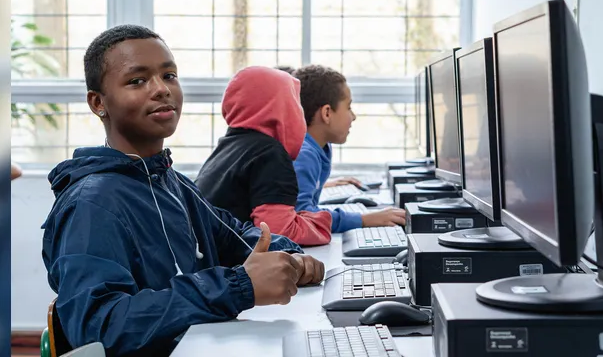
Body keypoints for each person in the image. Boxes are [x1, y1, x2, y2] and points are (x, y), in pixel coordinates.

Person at [41, 25, 325, 356]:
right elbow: (99, 327)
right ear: (98, 103)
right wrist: (238, 287)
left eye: (169, 75)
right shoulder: (92, 204)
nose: (161, 89)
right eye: (137, 80)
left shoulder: (169, 181)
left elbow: (236, 238)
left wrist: (290, 257)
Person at [195, 66, 333, 246]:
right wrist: (322, 223)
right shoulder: (270, 154)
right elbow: (277, 234)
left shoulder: (228, 147)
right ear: (283, 107)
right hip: (236, 265)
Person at [292, 65, 407, 232]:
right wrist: (364, 219)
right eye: (348, 107)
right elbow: (303, 218)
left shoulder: (317, 148)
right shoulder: (305, 154)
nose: (353, 116)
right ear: (327, 113)